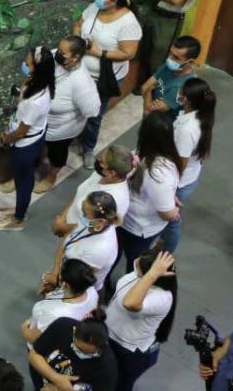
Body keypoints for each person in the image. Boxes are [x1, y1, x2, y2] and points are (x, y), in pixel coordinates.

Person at [97, 251, 176, 391]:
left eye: (140, 264)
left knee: (122, 388)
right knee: (109, 379)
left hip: (131, 352)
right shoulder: (136, 275)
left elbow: (130, 303)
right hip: (112, 336)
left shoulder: (162, 297)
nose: (136, 260)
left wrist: (151, 274)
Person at [73, 0, 143, 165]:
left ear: (114, 1)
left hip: (103, 78)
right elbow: (78, 25)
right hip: (81, 71)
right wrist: (78, 39)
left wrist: (99, 52)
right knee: (76, 106)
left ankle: (88, 148)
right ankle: (75, 135)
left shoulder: (128, 22)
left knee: (95, 113)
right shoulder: (93, 8)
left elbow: (128, 53)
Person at [0, 45, 54, 231]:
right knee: (22, 176)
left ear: (38, 68)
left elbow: (21, 132)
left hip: (25, 145)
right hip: (32, 132)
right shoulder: (40, 80)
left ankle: (18, 217)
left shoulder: (36, 101)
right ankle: (20, 208)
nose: (25, 65)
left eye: (28, 63)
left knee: (23, 179)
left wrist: (5, 139)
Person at [32, 35, 100, 193]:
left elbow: (92, 111)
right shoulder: (55, 57)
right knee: (31, 147)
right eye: (58, 49)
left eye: (63, 52)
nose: (57, 53)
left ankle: (51, 177)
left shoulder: (81, 82)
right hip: (38, 121)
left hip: (61, 130)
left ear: (75, 57)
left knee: (57, 154)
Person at [117, 112, 180, 271]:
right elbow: (166, 213)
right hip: (140, 227)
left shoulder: (140, 151)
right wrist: (174, 211)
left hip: (127, 216)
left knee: (116, 253)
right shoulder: (160, 174)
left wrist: (169, 196)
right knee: (135, 263)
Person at [163, 77, 214, 252]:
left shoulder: (188, 129)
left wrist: (169, 187)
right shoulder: (198, 115)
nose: (178, 93)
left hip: (180, 182)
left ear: (187, 99)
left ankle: (167, 253)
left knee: (171, 219)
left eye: (181, 91)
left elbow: (181, 163)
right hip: (189, 177)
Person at [42, 190, 119, 290]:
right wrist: (55, 271)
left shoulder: (99, 250)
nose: (81, 216)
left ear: (100, 222)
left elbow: (77, 281)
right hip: (65, 275)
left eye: (85, 213)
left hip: (79, 289)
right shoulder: (92, 223)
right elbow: (67, 240)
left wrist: (49, 278)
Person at [22, 259, 98, 346]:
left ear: (65, 284)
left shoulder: (54, 313)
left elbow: (35, 339)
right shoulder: (92, 292)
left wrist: (24, 327)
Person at [142, 35, 200, 117]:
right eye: (170, 53)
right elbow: (144, 87)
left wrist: (148, 92)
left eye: (176, 57)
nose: (169, 59)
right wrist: (147, 93)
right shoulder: (170, 66)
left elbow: (149, 112)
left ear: (190, 61)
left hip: (162, 125)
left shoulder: (184, 86)